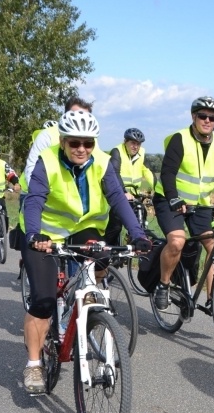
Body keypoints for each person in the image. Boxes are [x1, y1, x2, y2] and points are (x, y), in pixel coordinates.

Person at [20, 110, 152, 394]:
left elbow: (117, 198)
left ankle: (81, 298)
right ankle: (33, 363)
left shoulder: (102, 163)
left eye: (88, 143)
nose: (82, 149)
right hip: (45, 233)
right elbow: (34, 201)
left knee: (104, 256)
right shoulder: (48, 161)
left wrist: (138, 234)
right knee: (43, 301)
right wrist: (33, 234)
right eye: (75, 143)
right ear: (64, 141)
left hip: (83, 228)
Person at [152, 96, 214, 311]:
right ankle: (163, 285)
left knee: (213, 247)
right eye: (202, 116)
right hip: (171, 201)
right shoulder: (180, 139)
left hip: (200, 205)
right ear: (193, 117)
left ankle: (212, 298)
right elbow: (168, 173)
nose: (207, 120)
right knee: (177, 242)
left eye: (212, 117)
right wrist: (173, 197)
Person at [104, 127, 155, 246]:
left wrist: (155, 188)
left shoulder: (141, 153)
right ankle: (108, 250)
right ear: (125, 141)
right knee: (115, 226)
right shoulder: (117, 151)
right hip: (119, 193)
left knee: (141, 219)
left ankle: (135, 244)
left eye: (138, 144)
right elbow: (114, 172)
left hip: (134, 195)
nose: (135, 147)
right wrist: (123, 191)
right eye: (132, 143)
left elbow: (146, 171)